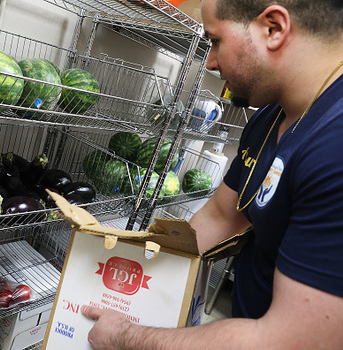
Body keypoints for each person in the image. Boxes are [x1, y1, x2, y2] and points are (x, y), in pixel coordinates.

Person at [81, 0, 343, 348]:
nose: (211, 61)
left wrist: (124, 337)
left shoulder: (334, 147)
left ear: (273, 29)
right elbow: (222, 215)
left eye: (215, 40)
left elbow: (288, 341)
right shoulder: (268, 118)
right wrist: (121, 269)